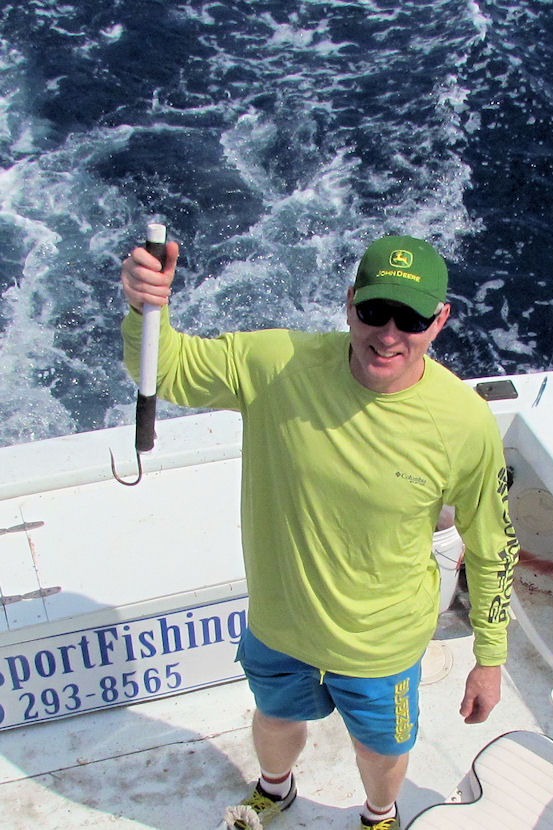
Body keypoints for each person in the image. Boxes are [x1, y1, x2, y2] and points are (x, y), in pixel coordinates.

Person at [120, 235, 518, 830]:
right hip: (281, 626)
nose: (388, 334)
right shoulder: (277, 363)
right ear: (350, 302)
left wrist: (489, 658)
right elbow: (168, 369)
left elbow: (492, 547)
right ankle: (275, 791)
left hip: (382, 645)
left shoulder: (464, 424)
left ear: (440, 321)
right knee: (275, 721)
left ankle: (379, 816)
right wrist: (144, 306)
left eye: (410, 318)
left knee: (381, 751)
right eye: (374, 311)